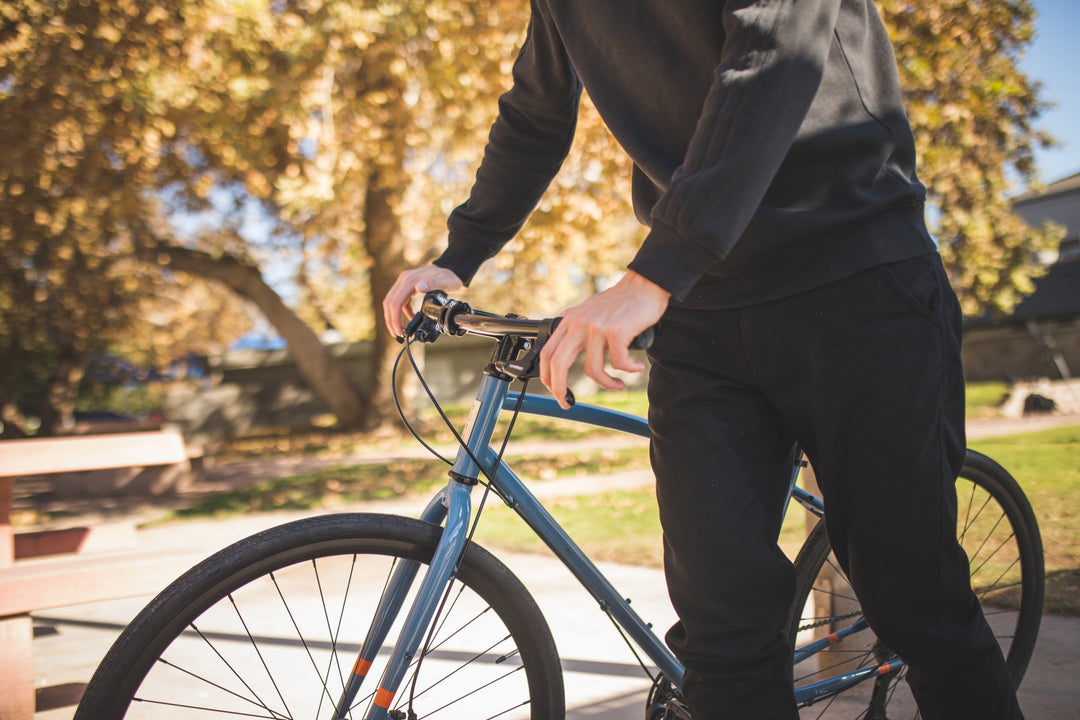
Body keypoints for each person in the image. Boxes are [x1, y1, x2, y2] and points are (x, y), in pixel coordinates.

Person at [383, 0, 1024, 717]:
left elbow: (776, 51)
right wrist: (459, 254)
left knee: (918, 606)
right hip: (703, 317)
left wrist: (654, 273)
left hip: (857, 282)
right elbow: (536, 114)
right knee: (722, 638)